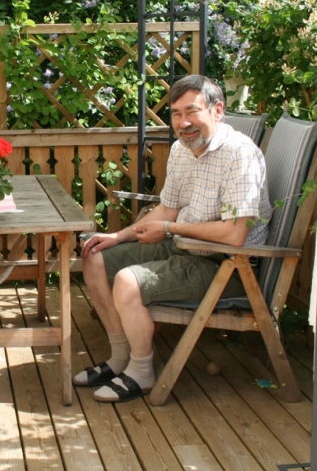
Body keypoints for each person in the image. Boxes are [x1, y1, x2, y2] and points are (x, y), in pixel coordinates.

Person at [74, 75, 272, 403]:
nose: (183, 123)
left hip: (229, 267)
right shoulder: (182, 150)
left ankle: (141, 371)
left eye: (191, 112)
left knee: (127, 281)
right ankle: (120, 358)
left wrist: (170, 230)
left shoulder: (241, 156)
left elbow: (236, 234)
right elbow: (168, 208)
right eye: (176, 114)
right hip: (184, 246)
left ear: (218, 110)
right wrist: (118, 236)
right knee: (94, 255)